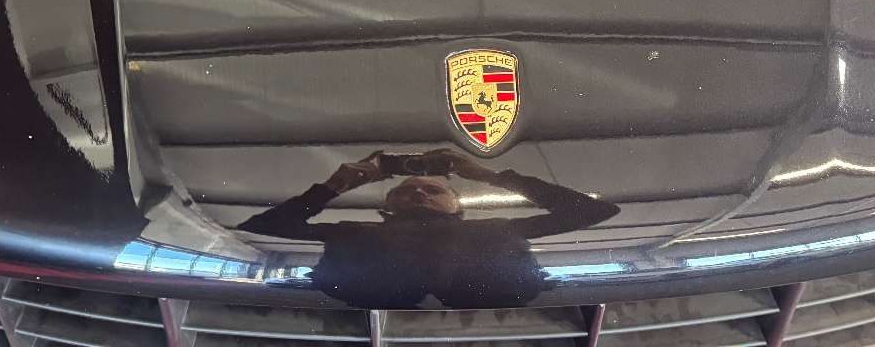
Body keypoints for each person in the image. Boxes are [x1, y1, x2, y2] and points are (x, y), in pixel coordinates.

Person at [238, 148, 619, 308]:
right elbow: (262, 228)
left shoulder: (497, 228)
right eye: (405, 190)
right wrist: (334, 186)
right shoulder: (352, 230)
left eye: (433, 189)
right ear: (387, 205)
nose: (418, 191)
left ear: (457, 204)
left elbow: (591, 211)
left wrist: (488, 175)